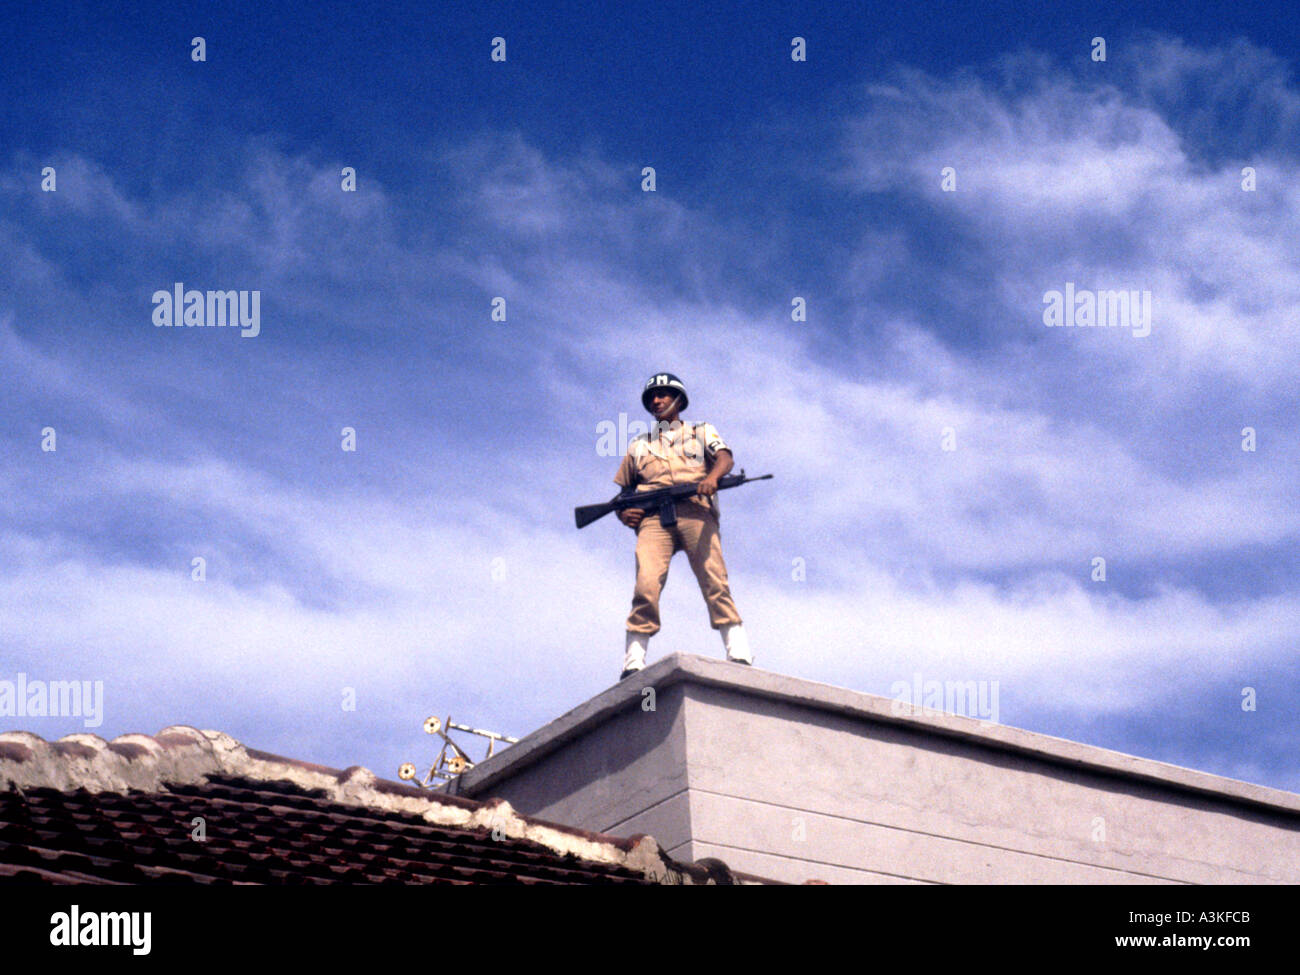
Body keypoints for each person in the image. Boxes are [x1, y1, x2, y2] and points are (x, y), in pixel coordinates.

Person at [614, 373, 752, 679]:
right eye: (653, 396)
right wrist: (625, 515)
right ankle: (633, 660)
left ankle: (738, 649)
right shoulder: (639, 445)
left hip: (695, 511)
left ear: (678, 400)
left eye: (664, 395)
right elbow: (622, 495)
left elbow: (725, 458)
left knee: (714, 578)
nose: (657, 400)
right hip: (653, 521)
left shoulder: (700, 431)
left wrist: (712, 479)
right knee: (646, 584)